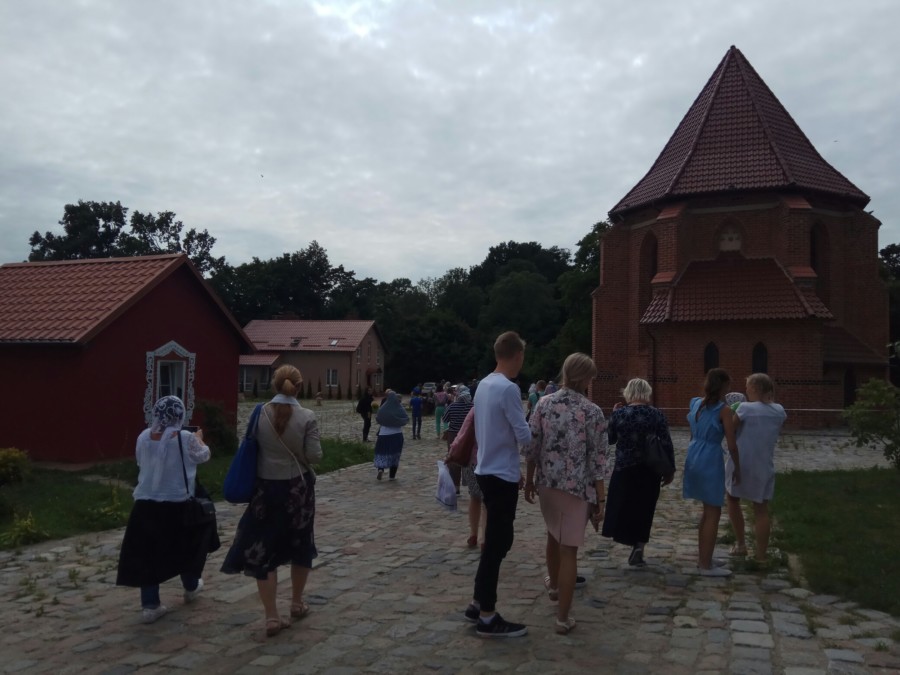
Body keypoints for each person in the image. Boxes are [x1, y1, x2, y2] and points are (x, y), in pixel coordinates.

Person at [221, 365, 322, 636]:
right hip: (297, 490)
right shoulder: (307, 416)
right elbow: (315, 456)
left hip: (265, 489)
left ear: (274, 385)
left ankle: (271, 617)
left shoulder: (259, 413)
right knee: (300, 544)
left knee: (263, 548)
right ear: (298, 387)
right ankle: (297, 603)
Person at [523, 353, 607, 635]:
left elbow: (532, 445)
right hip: (576, 486)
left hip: (548, 482)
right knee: (569, 548)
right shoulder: (592, 411)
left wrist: (530, 479)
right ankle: (562, 618)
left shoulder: (544, 404)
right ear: (584, 378)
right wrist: (601, 497)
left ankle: (555, 588)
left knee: (552, 534)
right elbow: (598, 459)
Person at [116, 395, 218, 624]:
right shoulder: (185, 438)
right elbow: (204, 456)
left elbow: (141, 461)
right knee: (187, 548)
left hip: (145, 504)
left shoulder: (143, 436)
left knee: (148, 553)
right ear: (180, 415)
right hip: (177, 503)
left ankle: (150, 605)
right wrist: (199, 439)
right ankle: (191, 586)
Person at [463, 331, 532, 638]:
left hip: (485, 468)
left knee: (495, 541)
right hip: (501, 474)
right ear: (517, 355)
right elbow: (523, 435)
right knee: (498, 543)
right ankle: (488, 617)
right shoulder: (508, 388)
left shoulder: (483, 385)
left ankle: (478, 602)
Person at [602, 378, 675, 567]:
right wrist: (670, 469)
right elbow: (666, 442)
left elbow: (610, 439)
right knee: (645, 509)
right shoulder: (656, 414)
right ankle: (639, 546)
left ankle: (625, 536)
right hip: (650, 469)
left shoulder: (620, 414)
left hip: (624, 468)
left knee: (623, 506)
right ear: (647, 392)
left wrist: (614, 414)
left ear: (628, 393)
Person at [683, 368, 741, 577]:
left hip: (694, 454)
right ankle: (705, 564)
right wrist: (738, 467)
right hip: (710, 457)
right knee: (713, 512)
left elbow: (692, 432)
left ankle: (705, 556)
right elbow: (732, 444)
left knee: (706, 512)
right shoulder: (723, 410)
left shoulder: (695, 403)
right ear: (724, 387)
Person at [725, 373, 786, 562]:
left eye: (748, 388)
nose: (746, 391)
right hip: (764, 463)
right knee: (761, 509)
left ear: (754, 389)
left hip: (741, 461)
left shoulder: (745, 408)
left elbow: (731, 428)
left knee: (732, 498)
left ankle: (741, 544)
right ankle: (761, 555)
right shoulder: (779, 410)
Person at [443, 385, 473, 493]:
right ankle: (471, 485)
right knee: (469, 459)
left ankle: (455, 487)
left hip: (454, 434)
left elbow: (445, 419)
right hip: (469, 435)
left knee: (453, 459)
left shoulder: (452, 406)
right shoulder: (473, 406)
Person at [373, 390, 409, 480]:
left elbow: (378, 418)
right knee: (395, 455)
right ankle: (392, 476)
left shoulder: (382, 409)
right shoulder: (399, 408)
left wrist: (386, 421)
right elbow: (406, 418)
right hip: (396, 434)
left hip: (383, 434)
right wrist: (396, 421)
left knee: (381, 453)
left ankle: (380, 469)